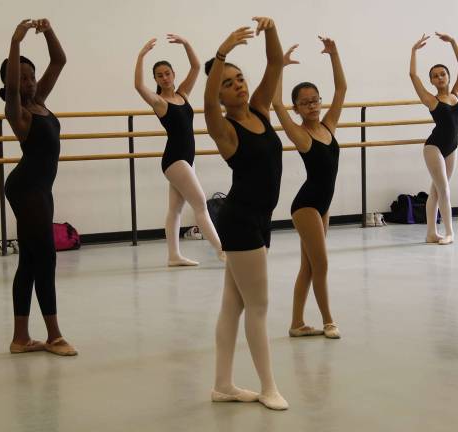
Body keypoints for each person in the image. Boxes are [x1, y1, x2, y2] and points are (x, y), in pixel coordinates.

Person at [204, 17, 288, 410]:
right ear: (220, 96)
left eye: (239, 78)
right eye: (228, 82)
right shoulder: (224, 128)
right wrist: (222, 53)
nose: (238, 84)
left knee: (233, 305)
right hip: (239, 222)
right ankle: (268, 386)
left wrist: (271, 30)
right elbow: (204, 104)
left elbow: (274, 65)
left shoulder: (260, 109)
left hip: (259, 220)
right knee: (258, 307)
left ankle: (222, 385)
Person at [0, 19, 76, 356]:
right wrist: (15, 41)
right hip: (27, 187)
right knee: (45, 257)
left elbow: (59, 61)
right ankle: (55, 335)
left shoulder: (40, 99)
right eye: (23, 78)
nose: (29, 82)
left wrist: (47, 32)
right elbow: (14, 88)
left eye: (31, 76)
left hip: (39, 188)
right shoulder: (17, 111)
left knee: (30, 260)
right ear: (10, 83)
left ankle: (20, 339)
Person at [271, 38, 346, 339]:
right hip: (306, 206)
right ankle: (329, 320)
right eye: (306, 102)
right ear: (298, 108)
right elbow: (275, 104)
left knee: (309, 267)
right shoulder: (301, 135)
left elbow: (341, 90)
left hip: (322, 205)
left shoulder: (328, 126)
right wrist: (279, 67)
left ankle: (296, 324)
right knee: (321, 263)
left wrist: (334, 55)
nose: (313, 105)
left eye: (316, 100)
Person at [134, 34, 224, 266]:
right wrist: (142, 55)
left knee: (175, 209)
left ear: (173, 74)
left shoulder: (182, 94)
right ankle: (222, 251)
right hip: (174, 160)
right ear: (156, 79)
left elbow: (195, 66)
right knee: (201, 203)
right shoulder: (159, 102)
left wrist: (186, 44)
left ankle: (174, 255)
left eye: (167, 73)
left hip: (187, 159)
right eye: (159, 75)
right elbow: (138, 86)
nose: (164, 78)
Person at [409, 32, 458, 245]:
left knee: (435, 190)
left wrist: (453, 42)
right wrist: (413, 51)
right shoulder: (431, 100)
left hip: (452, 148)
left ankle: (431, 233)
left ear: (448, 77)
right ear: (432, 81)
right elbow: (413, 76)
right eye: (435, 75)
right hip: (433, 147)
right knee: (443, 189)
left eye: (443, 74)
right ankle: (450, 232)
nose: (440, 77)